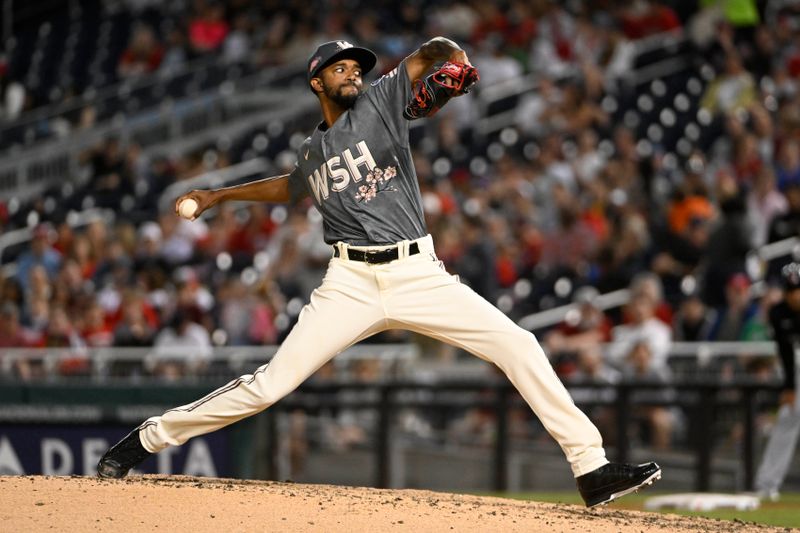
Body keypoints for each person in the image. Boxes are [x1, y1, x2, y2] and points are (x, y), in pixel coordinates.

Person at [96, 37, 660, 507]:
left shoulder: (382, 100)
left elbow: (429, 51)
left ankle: (591, 469)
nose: (352, 74)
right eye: (339, 68)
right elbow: (290, 186)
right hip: (349, 284)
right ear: (317, 82)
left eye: (356, 67)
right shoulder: (312, 150)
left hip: (419, 273)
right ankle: (145, 440)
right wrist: (217, 195)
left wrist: (455, 57)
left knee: (519, 344)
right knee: (269, 386)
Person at [754, 262, 800, 501]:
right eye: (791, 290)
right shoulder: (778, 312)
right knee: (787, 418)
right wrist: (789, 387)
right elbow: (786, 352)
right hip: (796, 367)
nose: (796, 295)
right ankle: (767, 483)